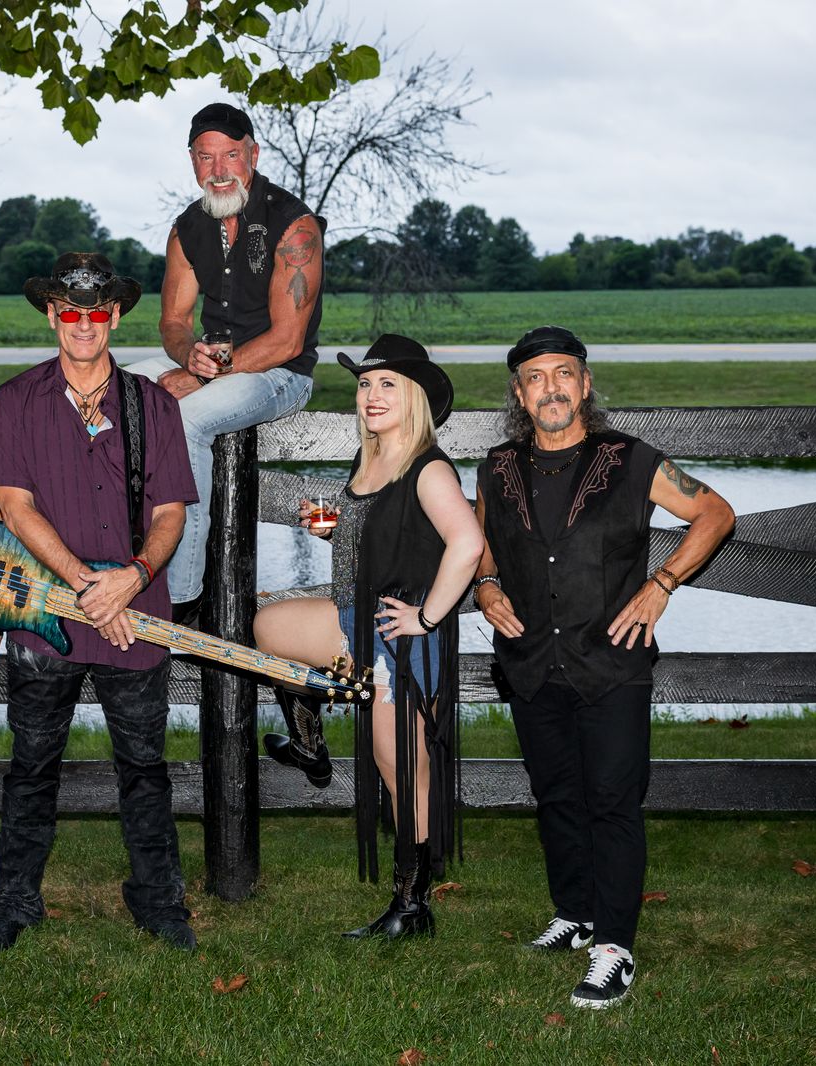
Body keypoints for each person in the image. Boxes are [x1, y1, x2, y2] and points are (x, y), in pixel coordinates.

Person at [474, 325, 735, 1008]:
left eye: (563, 373)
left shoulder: (632, 459)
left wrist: (663, 582)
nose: (551, 388)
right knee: (556, 794)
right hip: (532, 659)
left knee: (613, 800)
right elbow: (484, 541)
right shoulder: (496, 466)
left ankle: (614, 947)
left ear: (585, 384)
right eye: (535, 377)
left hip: (612, 660)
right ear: (519, 394)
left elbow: (715, 513)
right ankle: (576, 912)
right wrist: (486, 586)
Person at [0, 253, 199, 954]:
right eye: (69, 312)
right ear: (51, 315)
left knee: (145, 768)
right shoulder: (14, 401)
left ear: (115, 316)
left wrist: (131, 576)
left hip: (135, 613)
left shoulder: (154, 404)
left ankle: (158, 901)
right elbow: (14, 507)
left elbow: (171, 512)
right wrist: (83, 583)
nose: (83, 324)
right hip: (47, 617)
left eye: (96, 312)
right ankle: (14, 899)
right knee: (31, 765)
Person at [253, 334, 482, 938]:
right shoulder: (371, 456)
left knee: (400, 768)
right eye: (364, 384)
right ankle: (310, 745)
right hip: (357, 619)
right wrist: (334, 529)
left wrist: (426, 618)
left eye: (387, 385)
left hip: (402, 641)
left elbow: (467, 544)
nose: (371, 395)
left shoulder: (428, 467)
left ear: (415, 397)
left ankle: (411, 904)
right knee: (269, 627)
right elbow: (386, 533)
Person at [125, 102, 324, 623]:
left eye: (230, 155)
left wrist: (203, 372)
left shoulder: (294, 224)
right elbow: (173, 322)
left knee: (188, 419)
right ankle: (118, 546)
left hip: (278, 375)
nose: (218, 170)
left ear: (252, 155)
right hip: (213, 365)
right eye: (205, 157)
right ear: (191, 160)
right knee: (118, 389)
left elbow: (286, 340)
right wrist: (187, 354)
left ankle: (181, 596)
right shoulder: (187, 228)